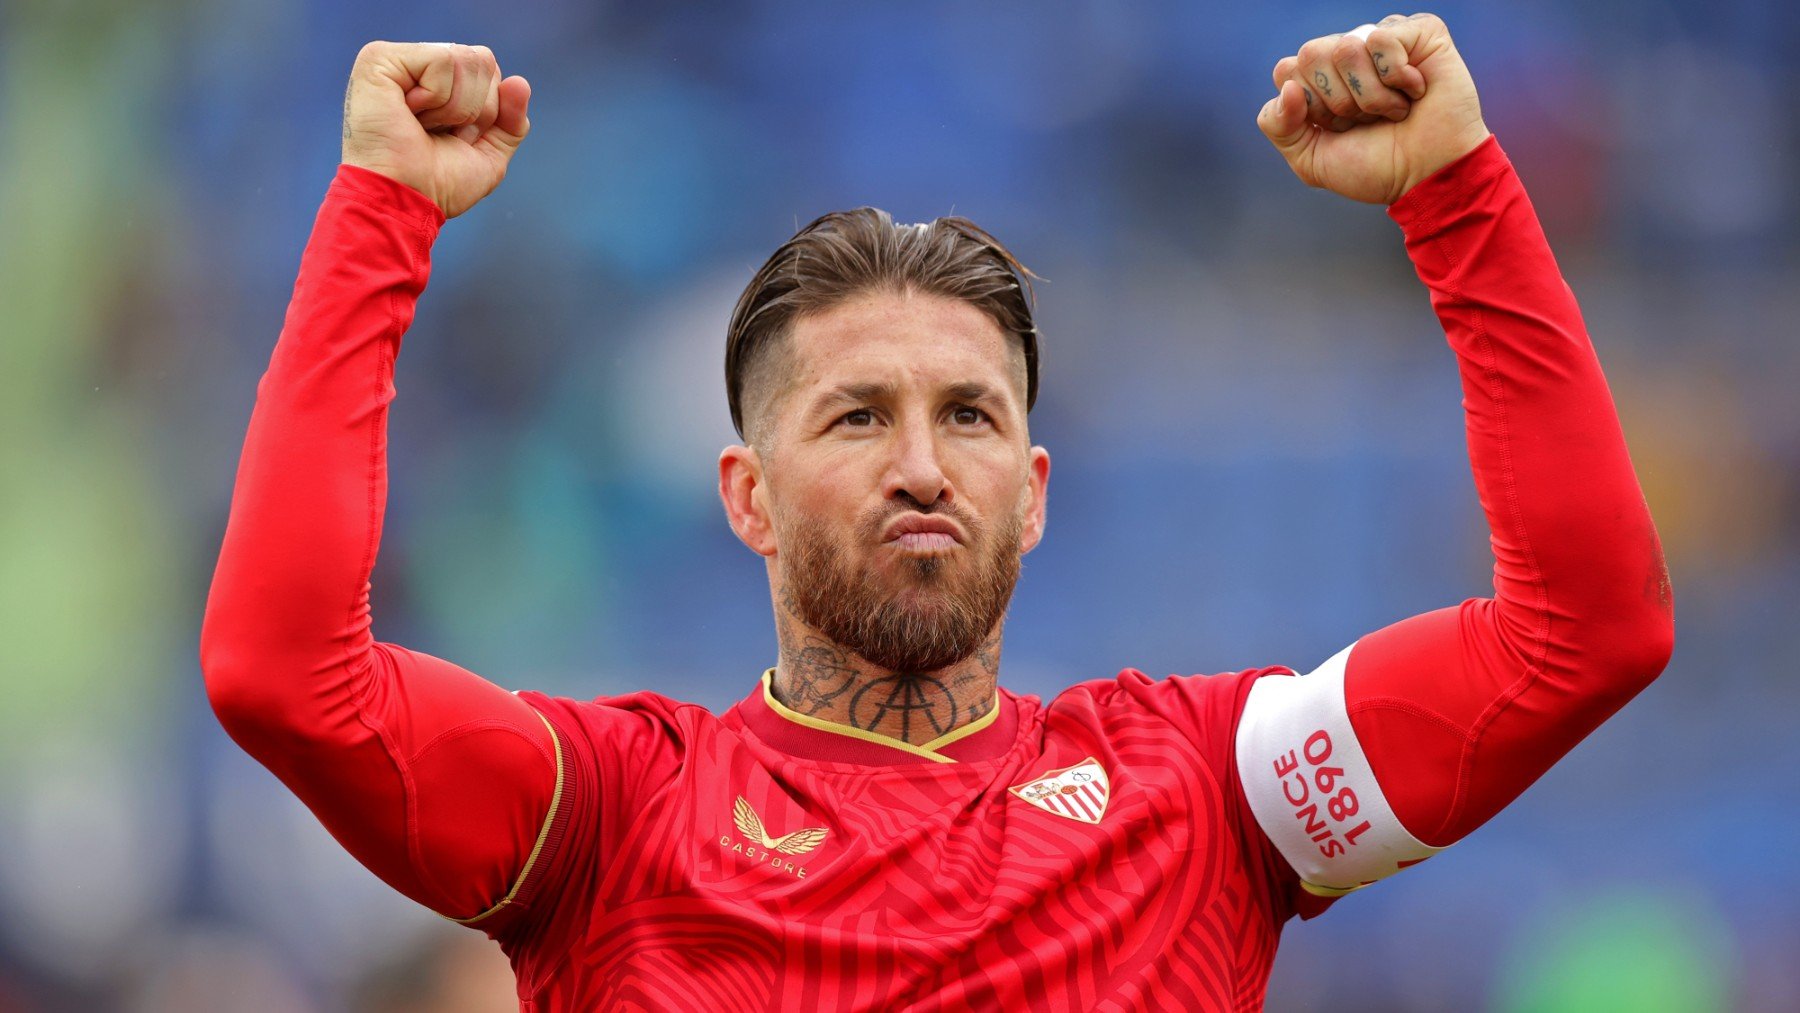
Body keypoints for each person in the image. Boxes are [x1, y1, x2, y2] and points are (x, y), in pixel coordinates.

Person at [201, 15, 1673, 1010]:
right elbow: (284, 673)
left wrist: (1461, 200)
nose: (923, 463)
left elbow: (1584, 635)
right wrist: (381, 214)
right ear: (747, 497)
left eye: (969, 414)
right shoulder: (607, 818)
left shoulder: (1215, 794)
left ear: (1031, 495)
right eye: (856, 416)